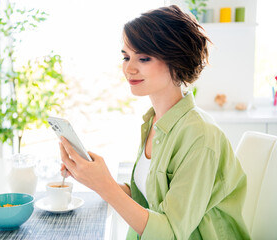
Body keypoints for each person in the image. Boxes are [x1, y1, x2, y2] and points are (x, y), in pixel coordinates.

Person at [59, 5, 250, 240]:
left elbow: (170, 233)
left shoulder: (200, 136)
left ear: (176, 60)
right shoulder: (155, 122)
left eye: (144, 58)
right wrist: (93, 178)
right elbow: (146, 201)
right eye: (126, 57)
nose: (129, 68)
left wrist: (105, 184)